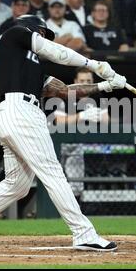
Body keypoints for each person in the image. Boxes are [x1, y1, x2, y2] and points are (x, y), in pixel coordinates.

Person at [0, 14, 126, 251]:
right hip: (20, 111)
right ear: (30, 28)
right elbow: (56, 51)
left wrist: (106, 85)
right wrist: (95, 65)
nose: (42, 37)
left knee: (17, 185)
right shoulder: (13, 35)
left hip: (17, 114)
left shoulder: (30, 64)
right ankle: (83, 233)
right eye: (41, 32)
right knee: (52, 172)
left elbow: (64, 91)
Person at [48, 67, 110, 200]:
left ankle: (76, 206)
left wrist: (98, 116)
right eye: (82, 80)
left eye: (89, 80)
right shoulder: (65, 94)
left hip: (84, 145)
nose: (86, 83)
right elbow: (59, 121)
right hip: (58, 144)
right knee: (53, 181)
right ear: (76, 81)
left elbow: (107, 121)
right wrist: (82, 115)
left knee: (75, 185)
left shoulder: (97, 96)